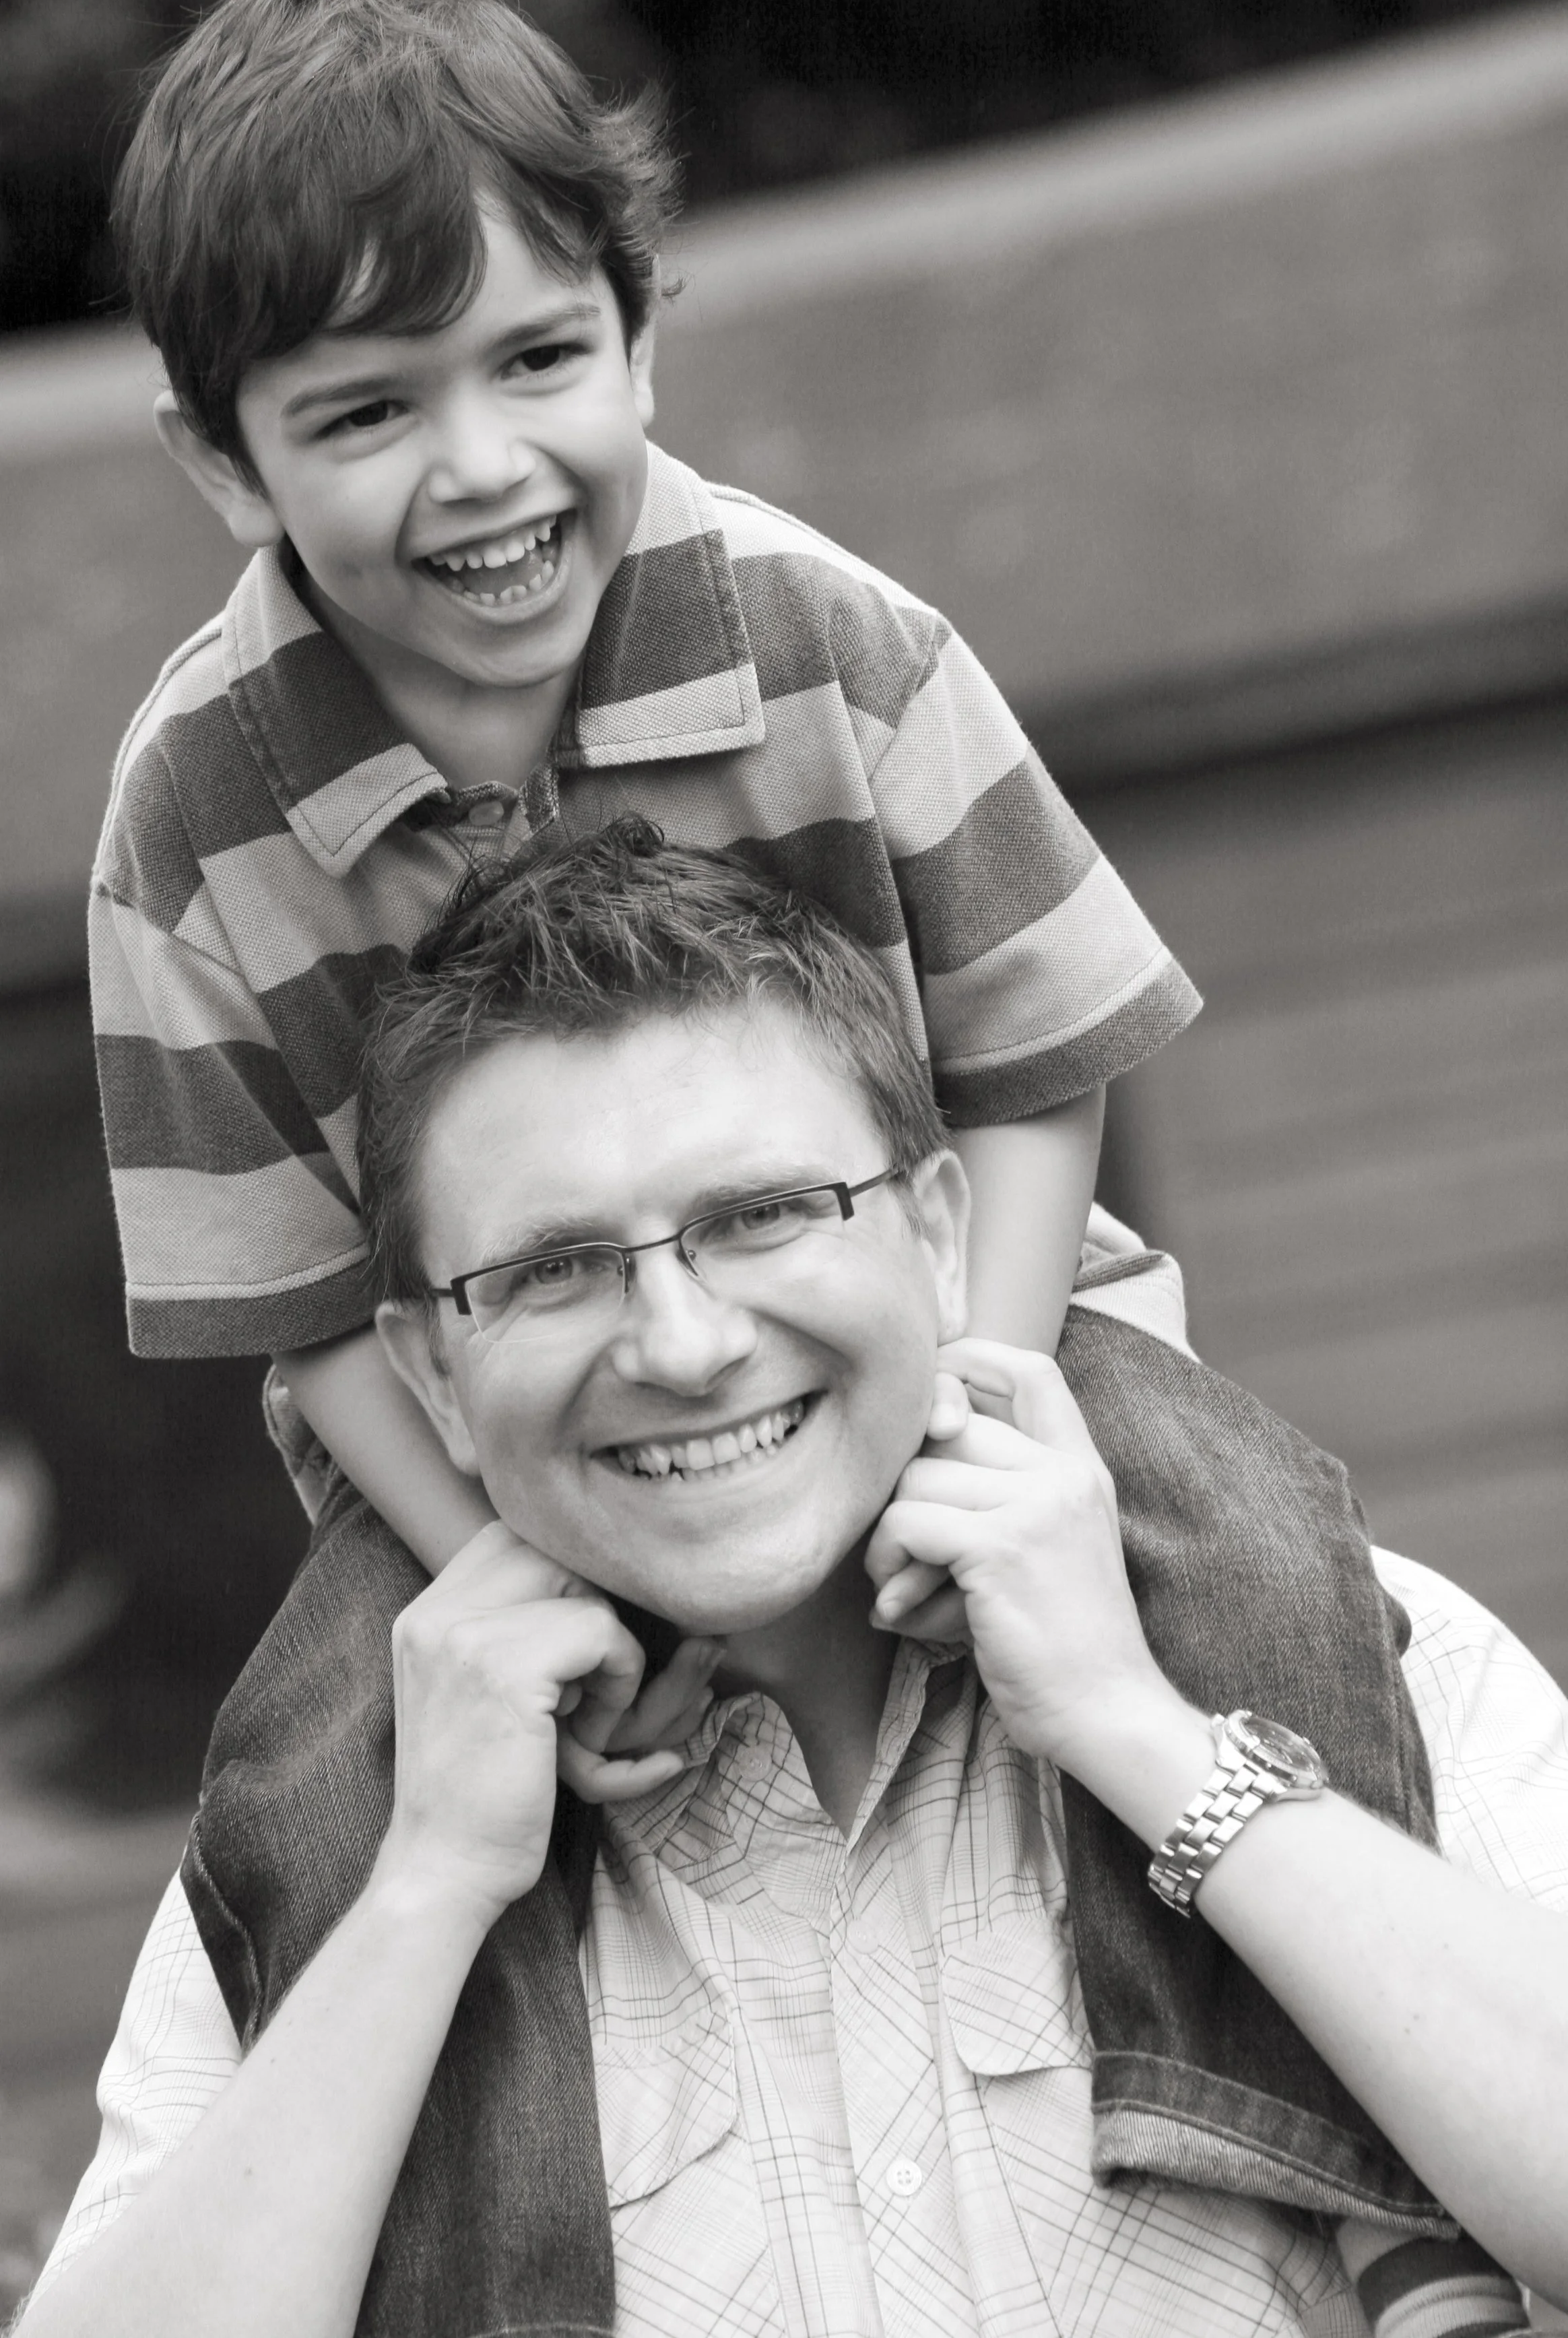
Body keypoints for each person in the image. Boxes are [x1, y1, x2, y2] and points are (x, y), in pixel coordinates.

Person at [86, 0, 1479, 2281]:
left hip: (953, 1305)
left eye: (539, 361)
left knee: (1238, 1544)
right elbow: (307, 1304)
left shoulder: (829, 639)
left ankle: (1345, 2188)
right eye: (361, 410)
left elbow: (1040, 1060)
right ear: (223, 462)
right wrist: (499, 1567)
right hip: (489, 1428)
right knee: (324, 1765)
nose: (478, 468)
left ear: (643, 333)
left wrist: (970, 1403)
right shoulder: (187, 822)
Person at [28, 826, 1565, 2338]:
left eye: (760, 1216)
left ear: (942, 1235)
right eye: (551, 1269)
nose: (684, 1347)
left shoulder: (1354, 1648)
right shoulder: (344, 1834)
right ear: (433, 1376)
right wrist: (426, 1894)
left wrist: (1134, 1730)